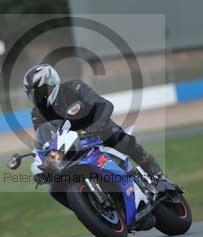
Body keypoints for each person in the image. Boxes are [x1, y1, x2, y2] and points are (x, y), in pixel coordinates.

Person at [23, 63, 166, 184]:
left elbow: (104, 104)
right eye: (34, 94)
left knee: (120, 138)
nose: (39, 97)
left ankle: (157, 175)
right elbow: (44, 139)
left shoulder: (74, 87)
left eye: (41, 92)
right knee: (60, 178)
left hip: (98, 131)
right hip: (71, 146)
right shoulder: (36, 113)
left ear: (52, 82)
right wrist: (44, 162)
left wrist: (97, 125)